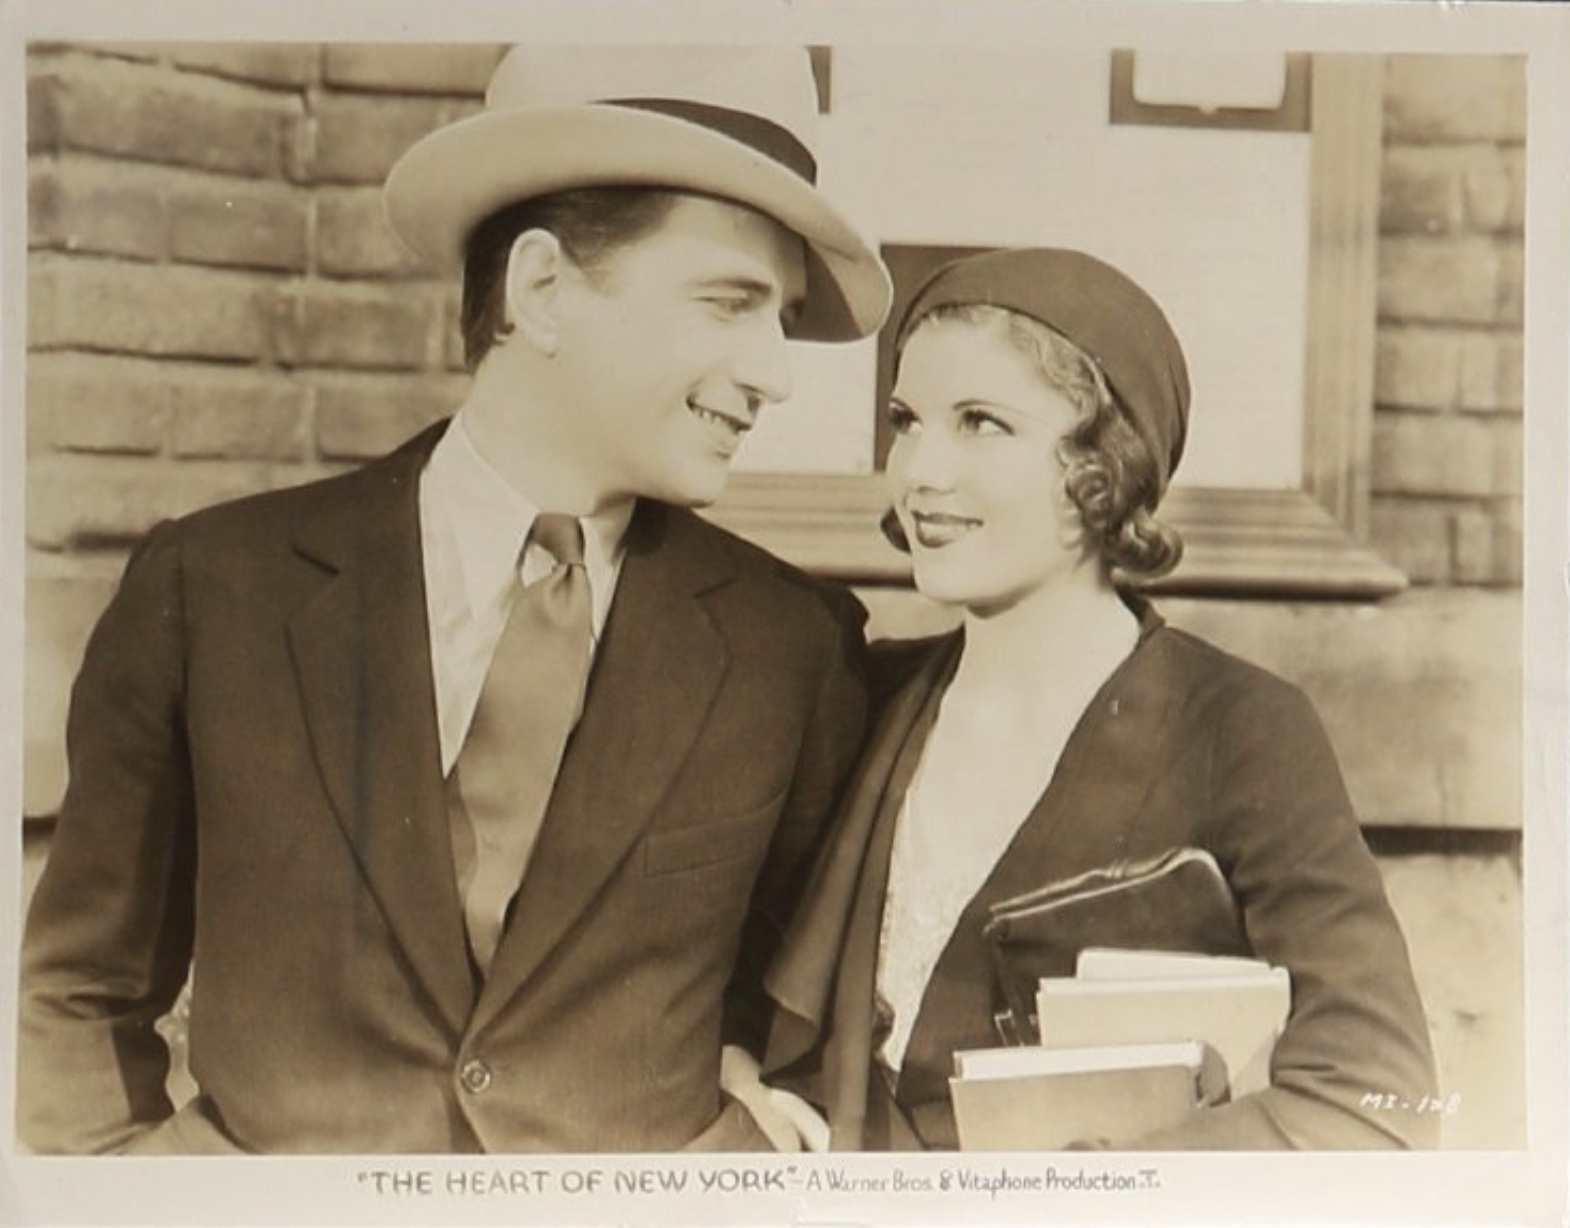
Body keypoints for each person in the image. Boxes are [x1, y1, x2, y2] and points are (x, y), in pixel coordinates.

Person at [17, 44, 891, 1155]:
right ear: (541, 289)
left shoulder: (792, 650)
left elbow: (784, 1006)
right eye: (730, 302)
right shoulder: (213, 589)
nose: (773, 369)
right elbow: (78, 995)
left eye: (782, 317)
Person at [756, 247, 1440, 1150]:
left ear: (1104, 465)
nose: (921, 469)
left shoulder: (1239, 727)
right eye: (906, 420)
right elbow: (716, 994)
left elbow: (1373, 1102)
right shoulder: (858, 696)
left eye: (981, 424)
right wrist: (736, 1075)